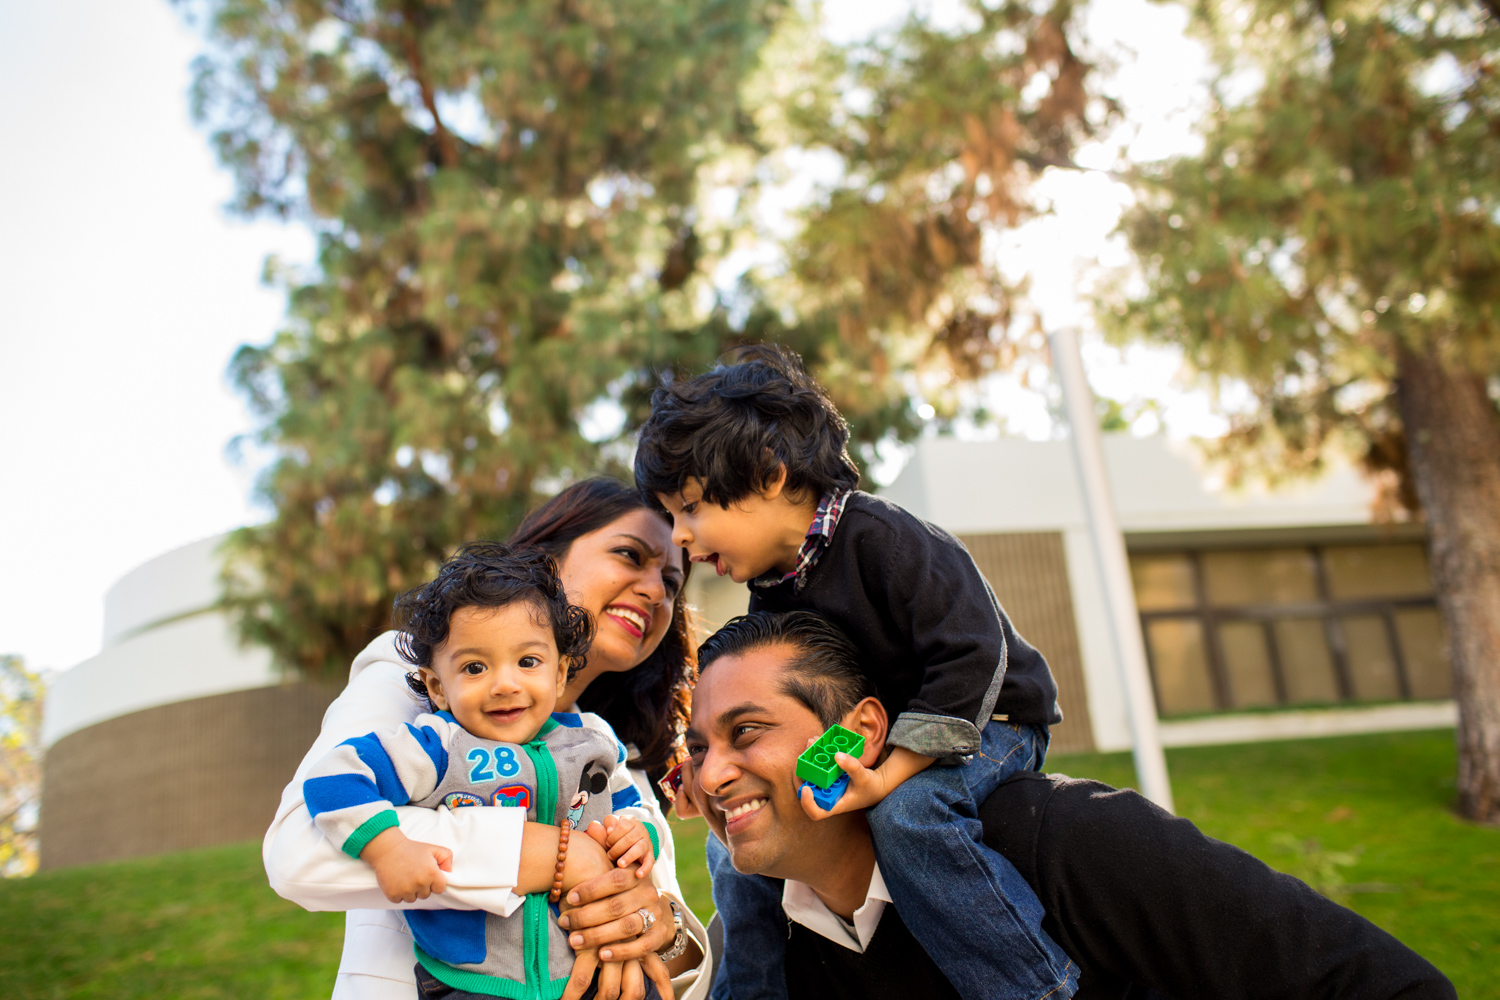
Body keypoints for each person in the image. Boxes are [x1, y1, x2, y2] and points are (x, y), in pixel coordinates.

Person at [678, 611, 1456, 1000]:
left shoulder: (1065, 842)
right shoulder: (759, 943)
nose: (713, 777)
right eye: (700, 747)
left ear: (861, 733)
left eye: (748, 732)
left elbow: (1375, 984)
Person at [635, 347, 1075, 1000]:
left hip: (990, 721)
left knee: (910, 815)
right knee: (740, 848)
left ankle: (1028, 985)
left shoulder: (890, 541)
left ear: (769, 475)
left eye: (692, 509)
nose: (682, 540)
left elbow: (971, 659)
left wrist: (888, 774)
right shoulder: (774, 592)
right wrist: (710, 776)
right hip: (879, 729)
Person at [264, 479, 709, 1000]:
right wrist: (558, 855)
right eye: (631, 555)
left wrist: (662, 928)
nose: (656, 591)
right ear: (546, 560)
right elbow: (300, 850)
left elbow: (676, 949)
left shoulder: (610, 749)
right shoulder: (418, 674)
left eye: (672, 583)